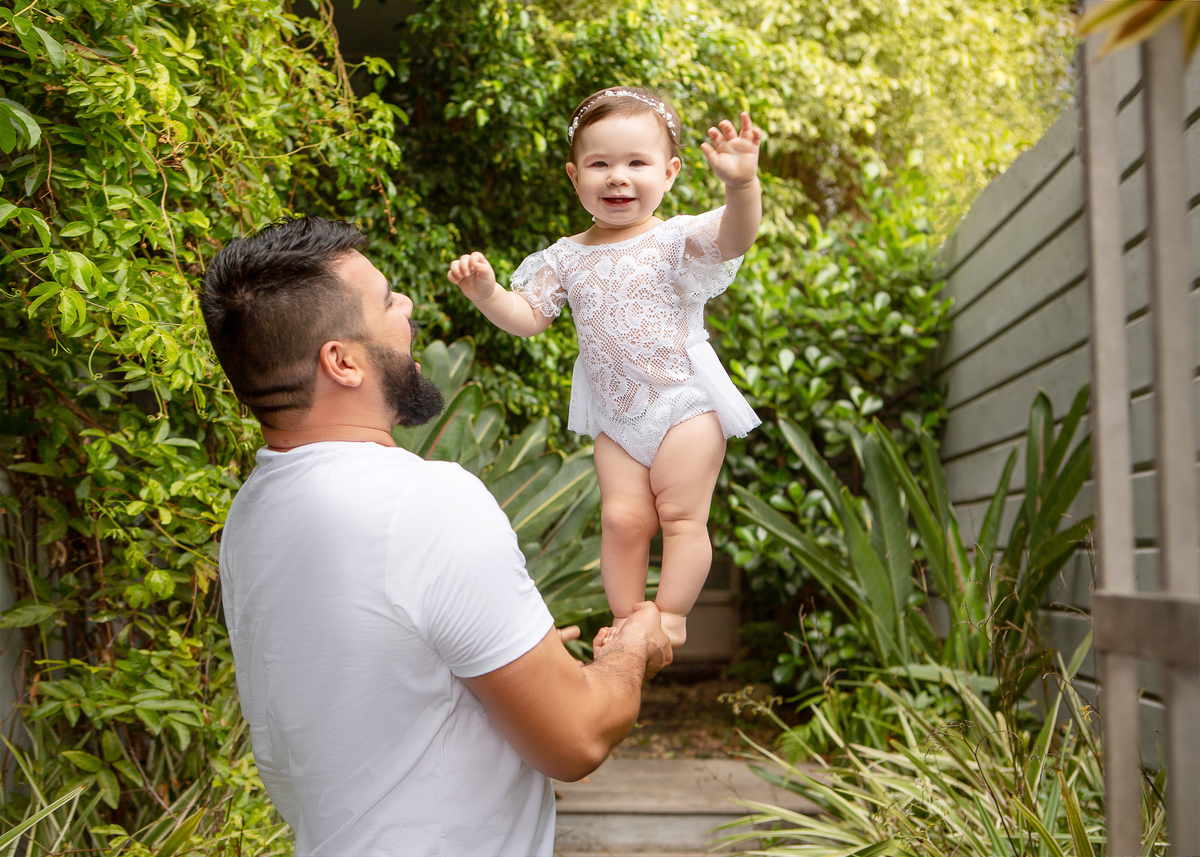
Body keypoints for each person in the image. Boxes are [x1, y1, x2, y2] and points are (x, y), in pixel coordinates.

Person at [200, 215, 672, 857]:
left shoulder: (254, 511)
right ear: (341, 362)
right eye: (387, 300)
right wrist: (633, 649)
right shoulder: (424, 501)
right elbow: (578, 739)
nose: (408, 307)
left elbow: (365, 681)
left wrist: (510, 651)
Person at [448, 86, 763, 651]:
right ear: (575, 177)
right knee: (621, 520)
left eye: (637, 163)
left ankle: (671, 615)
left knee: (680, 517)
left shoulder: (675, 237)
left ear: (669, 173)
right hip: (616, 415)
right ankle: (625, 618)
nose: (618, 177)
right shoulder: (565, 256)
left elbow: (735, 238)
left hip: (684, 402)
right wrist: (488, 294)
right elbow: (529, 317)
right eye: (600, 164)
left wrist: (741, 185)